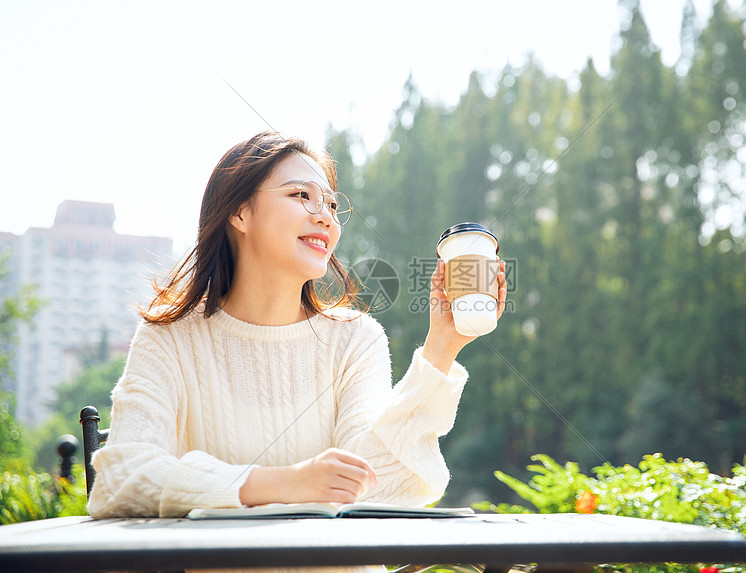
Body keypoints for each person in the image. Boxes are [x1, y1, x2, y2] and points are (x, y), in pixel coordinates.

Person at [88, 131, 507, 526]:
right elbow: (121, 479)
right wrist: (282, 483)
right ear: (239, 211)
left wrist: (442, 347)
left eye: (330, 205)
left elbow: (383, 489)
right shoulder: (171, 339)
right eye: (301, 196)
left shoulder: (355, 340)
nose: (325, 217)